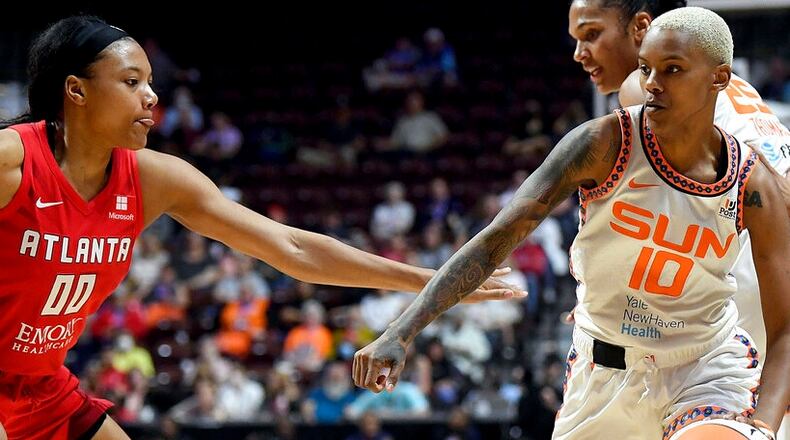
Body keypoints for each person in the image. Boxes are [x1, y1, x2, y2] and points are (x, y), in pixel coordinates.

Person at [0, 16, 524, 440]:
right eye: (132, 82)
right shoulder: (12, 162)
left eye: (152, 83)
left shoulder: (155, 179)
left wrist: (436, 281)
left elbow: (292, 247)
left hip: (44, 389)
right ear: (76, 90)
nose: (152, 97)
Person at [354, 8, 790, 439]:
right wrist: (402, 330)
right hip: (602, 372)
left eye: (592, 34)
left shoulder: (748, 175)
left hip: (709, 358)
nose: (653, 83)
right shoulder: (603, 140)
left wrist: (764, 427)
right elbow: (493, 241)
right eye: (646, 70)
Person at [568, 0, 790, 357]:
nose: (580, 53)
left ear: (641, 28)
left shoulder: (641, 89)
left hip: (749, 256)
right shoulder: (719, 77)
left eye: (592, 34)